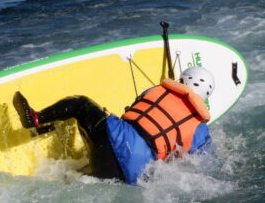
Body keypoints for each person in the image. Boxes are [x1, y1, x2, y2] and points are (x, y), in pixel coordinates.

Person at [13, 66, 215, 185]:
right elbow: (189, 163)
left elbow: (132, 112)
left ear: (181, 80)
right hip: (129, 175)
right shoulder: (201, 130)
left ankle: (38, 120)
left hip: (116, 142)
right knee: (78, 178)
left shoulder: (157, 90)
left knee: (81, 104)